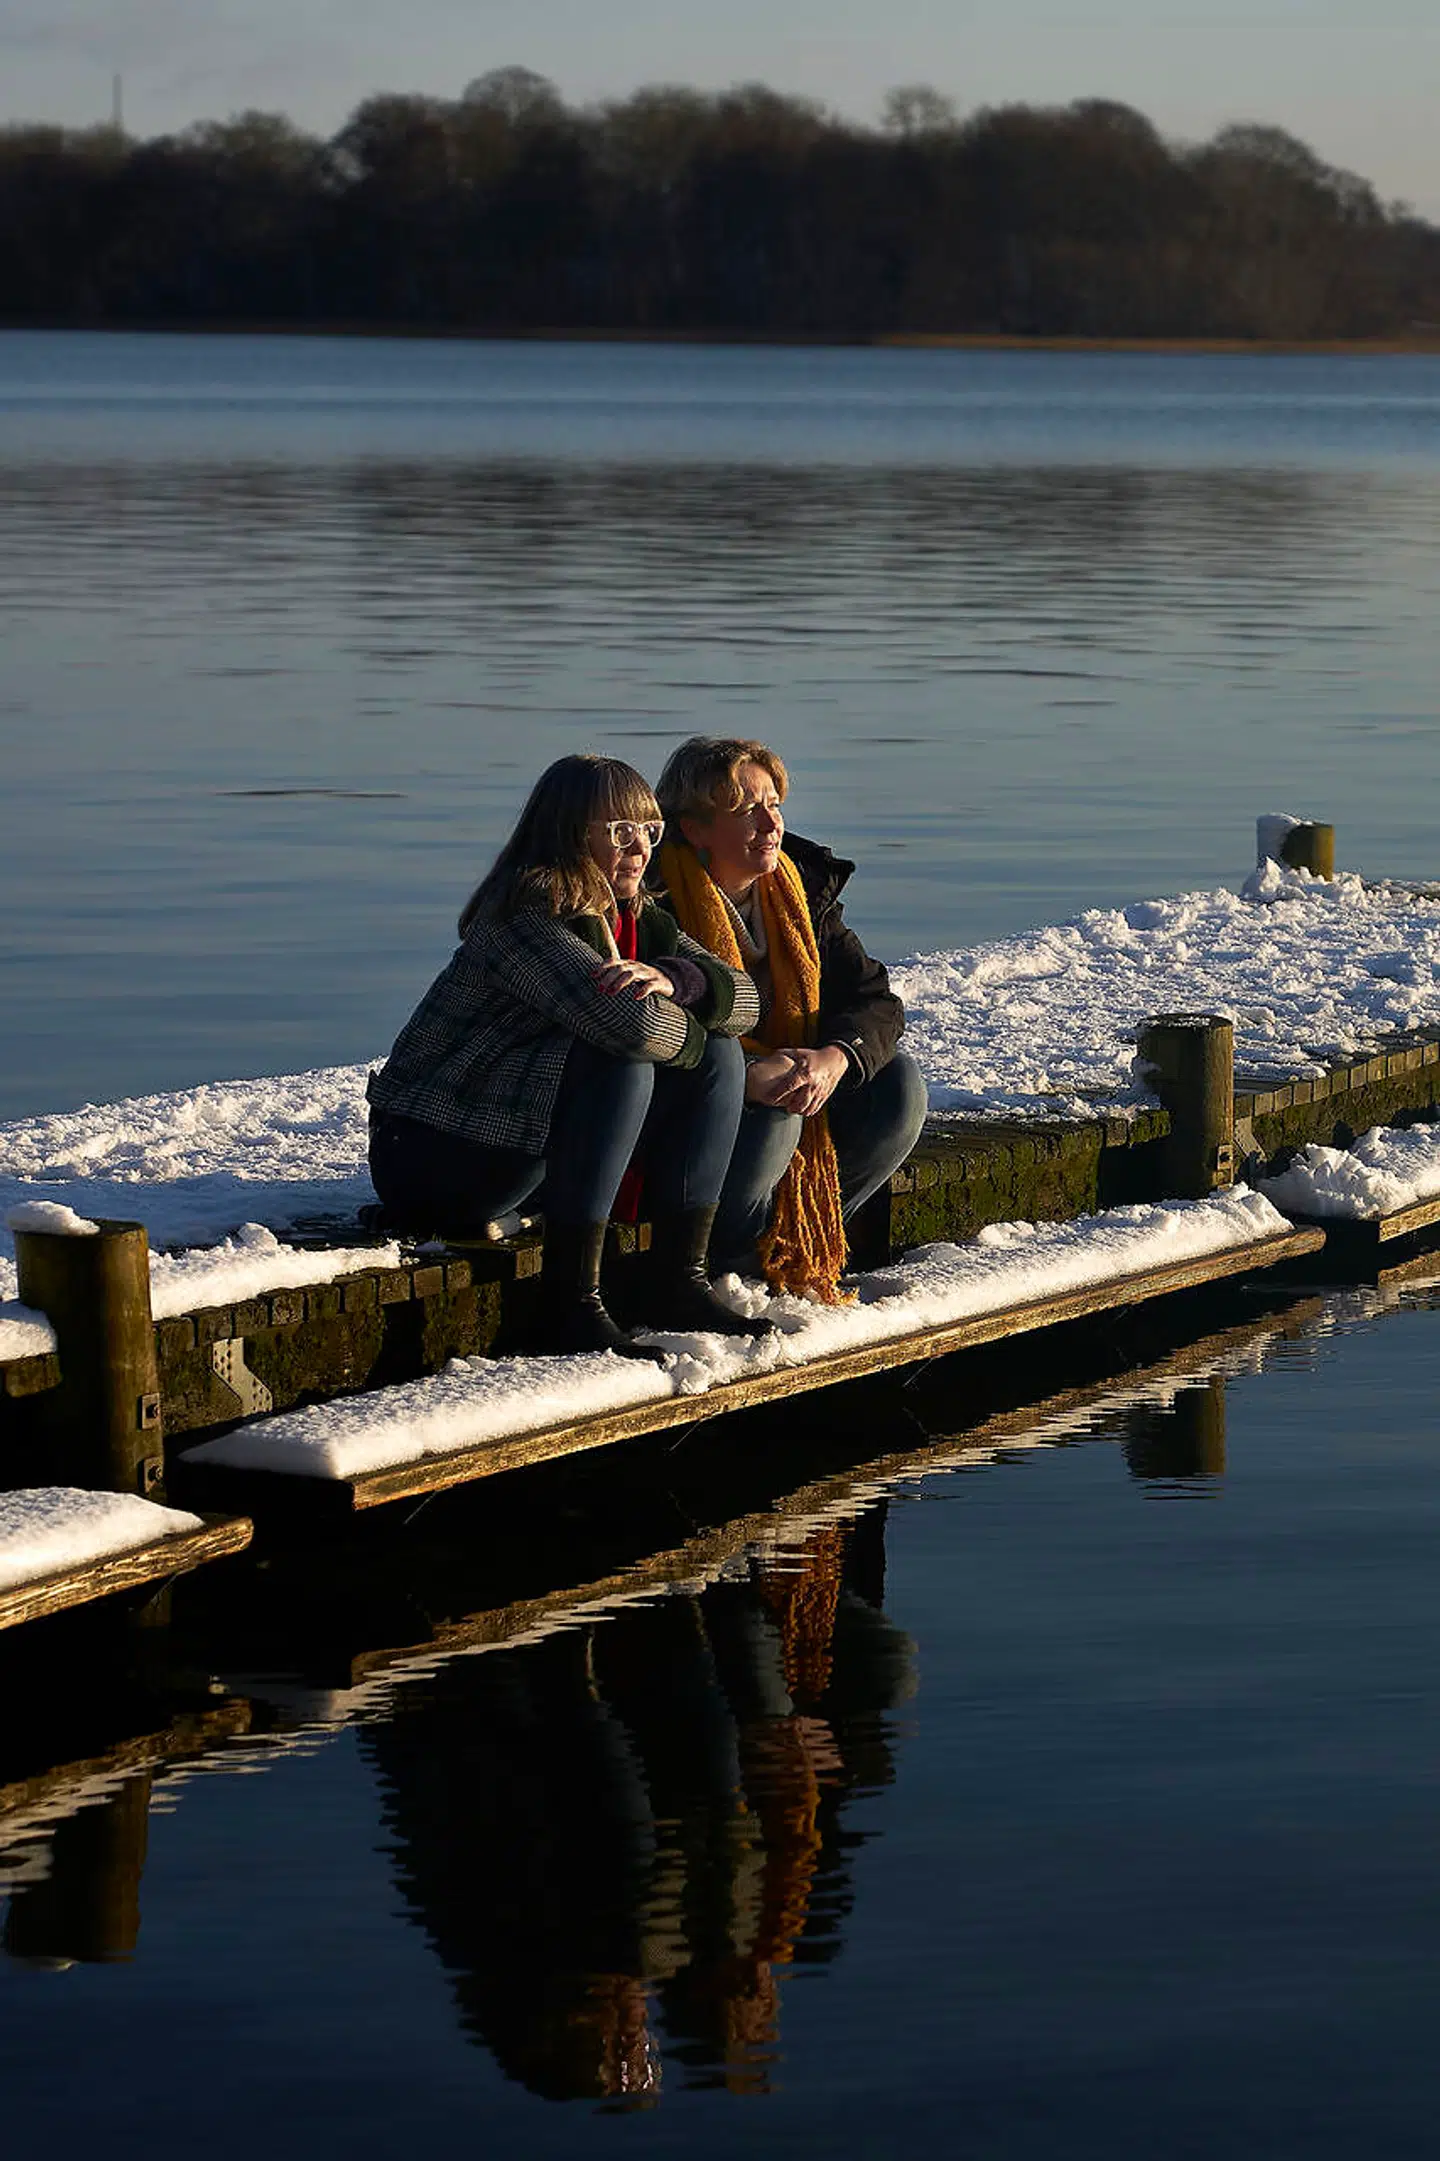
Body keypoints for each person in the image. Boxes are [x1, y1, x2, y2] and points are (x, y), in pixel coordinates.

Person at [367, 754, 774, 1356]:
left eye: (649, 831)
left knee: (719, 1054)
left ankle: (677, 1281)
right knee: (631, 1060)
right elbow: (629, 1027)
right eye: (620, 832)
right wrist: (687, 1021)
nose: (640, 849)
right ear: (568, 835)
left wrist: (680, 981)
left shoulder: (639, 916)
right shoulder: (526, 918)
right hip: (432, 1158)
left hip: (520, 1147)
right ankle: (570, 1304)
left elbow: (746, 1002)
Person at [653, 737, 928, 1301]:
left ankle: (793, 1245)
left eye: (773, 805)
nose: (768, 823)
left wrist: (833, 1059)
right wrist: (747, 1076)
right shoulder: (655, 905)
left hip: (791, 1083)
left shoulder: (801, 891)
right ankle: (729, 1258)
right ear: (695, 829)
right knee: (778, 1112)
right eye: (745, 810)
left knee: (898, 1085)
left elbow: (875, 998)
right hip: (695, 1115)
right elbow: (652, 1033)